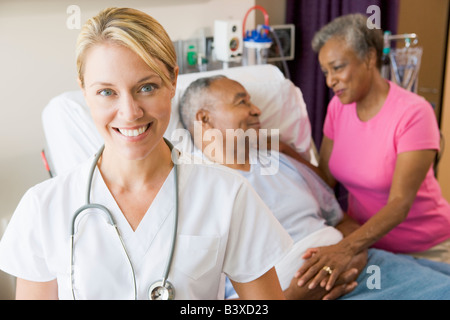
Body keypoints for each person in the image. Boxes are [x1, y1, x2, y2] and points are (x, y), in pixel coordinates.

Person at [0, 7, 293, 300]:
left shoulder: (227, 195)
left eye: (147, 87)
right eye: (106, 92)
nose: (130, 112)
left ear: (172, 82)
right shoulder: (43, 208)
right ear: (84, 91)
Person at [178, 74, 450, 300]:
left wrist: (348, 253)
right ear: (204, 119)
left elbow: (344, 222)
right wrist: (295, 295)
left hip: (363, 270)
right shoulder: (194, 194)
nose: (256, 110)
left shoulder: (283, 162)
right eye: (242, 102)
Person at [287, 13, 450, 291]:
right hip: (367, 247)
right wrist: (283, 151)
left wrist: (344, 248)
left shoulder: (413, 113)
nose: (330, 81)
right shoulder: (338, 108)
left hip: (424, 247)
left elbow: (399, 204)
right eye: (326, 72)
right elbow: (326, 178)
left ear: (370, 58)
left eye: (338, 68)